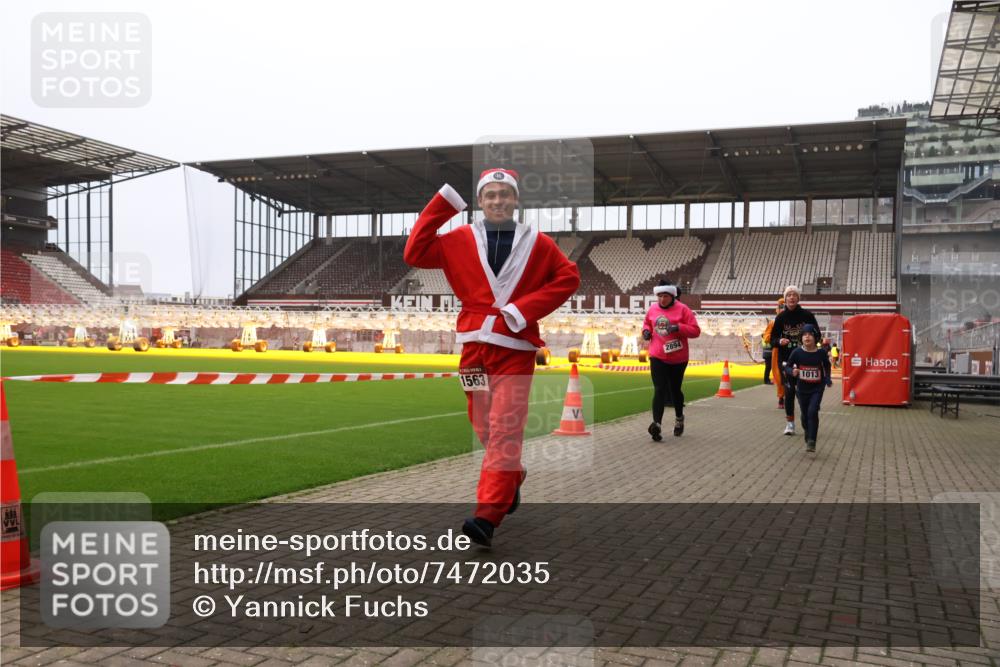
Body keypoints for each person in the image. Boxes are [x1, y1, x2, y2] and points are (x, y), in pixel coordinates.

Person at [403, 168, 580, 547]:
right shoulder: (458, 239)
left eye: (505, 194)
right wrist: (444, 204)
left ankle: (487, 515)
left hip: (515, 349)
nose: (498, 200)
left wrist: (523, 309)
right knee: (482, 421)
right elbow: (414, 252)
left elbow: (569, 278)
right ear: (480, 202)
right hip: (473, 349)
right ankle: (511, 476)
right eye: (490, 195)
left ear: (516, 200)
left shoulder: (540, 243)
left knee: (505, 427)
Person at [642, 279, 701, 440]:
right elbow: (647, 323)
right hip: (657, 355)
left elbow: (696, 331)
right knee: (659, 389)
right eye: (659, 296)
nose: (662, 299)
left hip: (678, 358)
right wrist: (646, 332)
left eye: (665, 296)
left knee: (675, 390)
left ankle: (679, 419)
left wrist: (678, 327)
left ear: (672, 296)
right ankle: (657, 425)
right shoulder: (653, 309)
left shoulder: (683, 310)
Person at [770, 285, 820, 436]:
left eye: (794, 295)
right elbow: (772, 339)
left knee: (803, 394)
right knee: (789, 392)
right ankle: (790, 424)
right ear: (785, 299)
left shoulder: (807, 315)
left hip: (806, 360)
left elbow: (818, 335)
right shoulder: (780, 318)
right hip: (786, 361)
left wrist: (810, 342)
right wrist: (779, 341)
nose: (791, 297)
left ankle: (807, 420)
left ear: (798, 298)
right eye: (788, 295)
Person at [785, 324, 833, 452]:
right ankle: (807, 429)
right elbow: (787, 366)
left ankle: (812, 440)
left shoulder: (821, 352)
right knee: (805, 415)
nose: (807, 337)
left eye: (810, 334)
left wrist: (827, 378)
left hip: (817, 388)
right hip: (801, 389)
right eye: (805, 335)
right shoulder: (797, 352)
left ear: (815, 337)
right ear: (801, 338)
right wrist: (792, 371)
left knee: (813, 412)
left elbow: (827, 366)